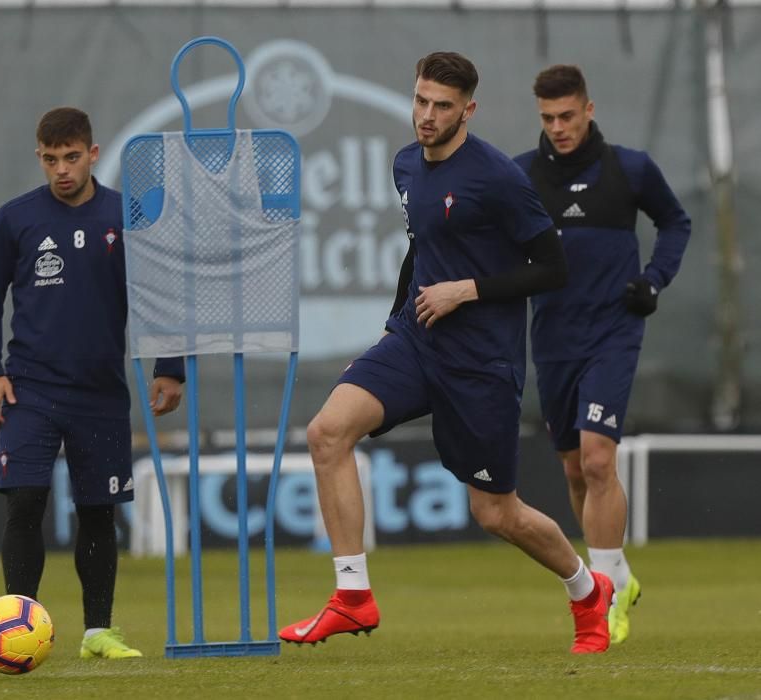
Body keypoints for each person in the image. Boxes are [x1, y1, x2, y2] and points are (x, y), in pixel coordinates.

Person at [280, 52, 614, 654]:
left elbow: (552, 268)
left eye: (442, 106)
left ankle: (588, 589)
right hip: (415, 341)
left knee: (496, 514)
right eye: (420, 101)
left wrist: (469, 290)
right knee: (327, 433)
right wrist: (393, 324)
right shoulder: (406, 164)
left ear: (468, 110)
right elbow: (420, 248)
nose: (427, 116)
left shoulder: (498, 177)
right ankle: (352, 596)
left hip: (481, 362)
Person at [0, 107, 185, 659]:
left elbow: (159, 291)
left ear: (92, 154)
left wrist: (170, 366)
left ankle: (98, 632)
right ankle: (18, 627)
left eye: (71, 157)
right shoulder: (15, 219)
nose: (61, 170)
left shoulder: (126, 215)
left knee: (97, 511)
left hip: (100, 393)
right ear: (38, 158)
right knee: (25, 501)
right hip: (29, 389)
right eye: (50, 159)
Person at [513, 65, 691, 644]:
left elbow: (675, 222)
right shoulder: (521, 176)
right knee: (573, 468)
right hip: (554, 341)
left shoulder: (630, 168)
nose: (558, 127)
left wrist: (654, 280)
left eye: (567, 115)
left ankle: (608, 585)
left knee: (596, 460)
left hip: (614, 333)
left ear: (589, 110)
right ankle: (620, 573)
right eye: (547, 118)